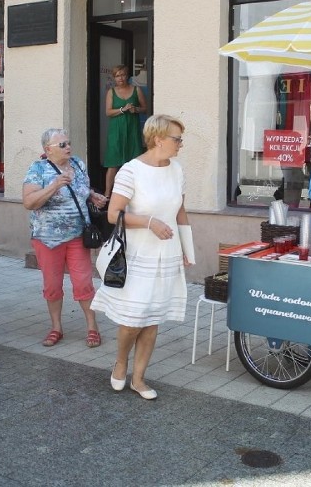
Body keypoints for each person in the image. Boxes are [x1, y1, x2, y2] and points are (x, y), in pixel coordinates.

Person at [92, 114, 195, 400]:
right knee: (134, 319)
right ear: (158, 139)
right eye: (177, 139)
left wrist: (188, 249)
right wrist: (149, 222)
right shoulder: (130, 170)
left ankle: (138, 378)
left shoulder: (176, 169)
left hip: (167, 253)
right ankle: (121, 361)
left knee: (153, 318)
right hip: (138, 255)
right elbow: (113, 214)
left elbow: (181, 211)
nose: (180, 145)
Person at [22, 129, 108, 348]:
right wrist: (53, 186)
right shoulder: (37, 169)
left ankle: (92, 327)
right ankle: (56, 328)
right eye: (62, 145)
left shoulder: (78, 164)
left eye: (68, 143)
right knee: (52, 284)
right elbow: (29, 202)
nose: (68, 147)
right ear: (47, 149)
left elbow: (81, 189)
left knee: (83, 282)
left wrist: (91, 194)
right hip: (47, 238)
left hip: (78, 235)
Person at [103, 65, 147, 197]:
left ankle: (137, 193)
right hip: (116, 131)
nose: (120, 78)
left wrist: (136, 110)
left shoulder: (136, 89)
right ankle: (107, 194)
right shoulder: (111, 92)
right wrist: (123, 109)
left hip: (132, 129)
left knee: (134, 162)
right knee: (113, 162)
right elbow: (108, 112)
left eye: (122, 75)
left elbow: (145, 108)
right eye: (117, 76)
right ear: (114, 78)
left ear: (127, 76)